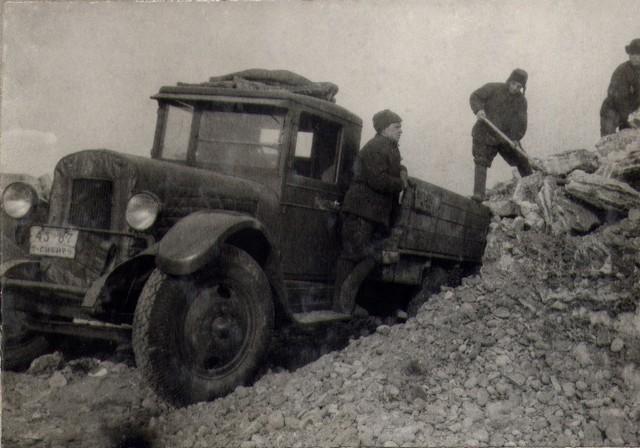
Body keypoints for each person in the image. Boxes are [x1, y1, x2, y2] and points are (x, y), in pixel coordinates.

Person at [334, 109, 408, 311]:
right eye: (396, 127)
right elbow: (379, 180)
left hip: (373, 214)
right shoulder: (376, 147)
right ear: (385, 129)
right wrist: (401, 183)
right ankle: (341, 305)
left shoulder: (389, 147)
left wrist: (402, 170)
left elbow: (396, 168)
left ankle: (346, 303)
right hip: (361, 212)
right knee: (352, 256)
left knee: (367, 255)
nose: (401, 131)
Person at [469, 68, 532, 202]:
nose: (515, 88)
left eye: (519, 86)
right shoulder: (493, 88)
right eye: (514, 84)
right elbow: (475, 96)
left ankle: (533, 191)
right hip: (485, 132)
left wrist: (516, 138)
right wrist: (478, 110)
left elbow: (521, 122)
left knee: (522, 160)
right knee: (481, 161)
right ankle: (478, 196)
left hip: (505, 137)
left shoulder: (521, 101)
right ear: (509, 81)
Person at [600, 38, 640, 137]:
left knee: (631, 139)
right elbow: (620, 99)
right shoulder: (622, 71)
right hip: (612, 110)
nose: (634, 57)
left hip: (630, 111)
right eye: (632, 54)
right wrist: (626, 120)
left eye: (638, 54)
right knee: (608, 140)